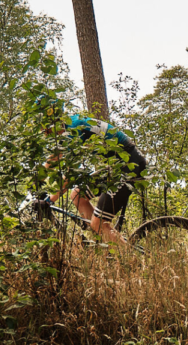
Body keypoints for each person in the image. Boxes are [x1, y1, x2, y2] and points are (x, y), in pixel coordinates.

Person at [35, 96, 147, 247]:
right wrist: (38, 177)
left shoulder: (74, 129)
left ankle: (130, 259)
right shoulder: (67, 126)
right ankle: (105, 239)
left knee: (98, 223)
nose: (43, 131)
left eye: (43, 126)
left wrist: (49, 201)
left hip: (130, 165)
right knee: (77, 196)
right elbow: (56, 155)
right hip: (116, 167)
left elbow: (69, 176)